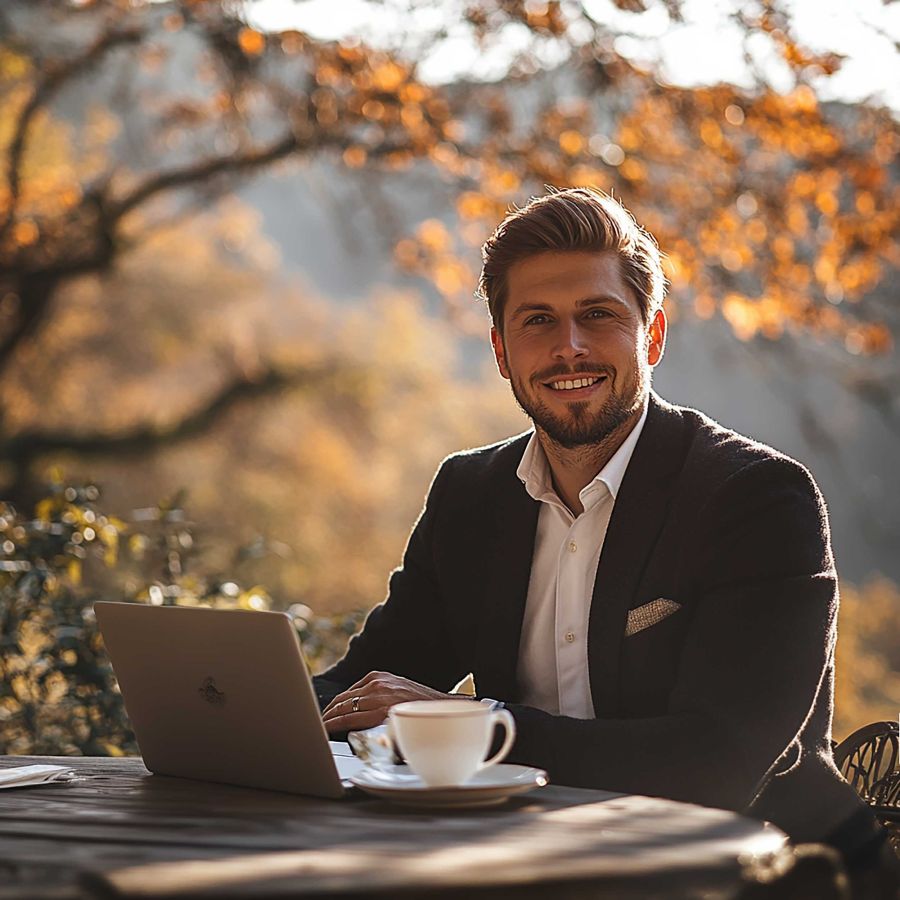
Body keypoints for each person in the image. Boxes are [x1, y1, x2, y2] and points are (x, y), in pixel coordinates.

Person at [314, 188, 887, 877]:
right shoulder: (470, 496)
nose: (569, 347)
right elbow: (371, 685)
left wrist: (479, 726)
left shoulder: (758, 499)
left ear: (653, 335)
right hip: (526, 863)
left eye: (598, 315)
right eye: (538, 322)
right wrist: (241, 714)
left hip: (760, 871)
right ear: (501, 351)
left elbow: (719, 763)